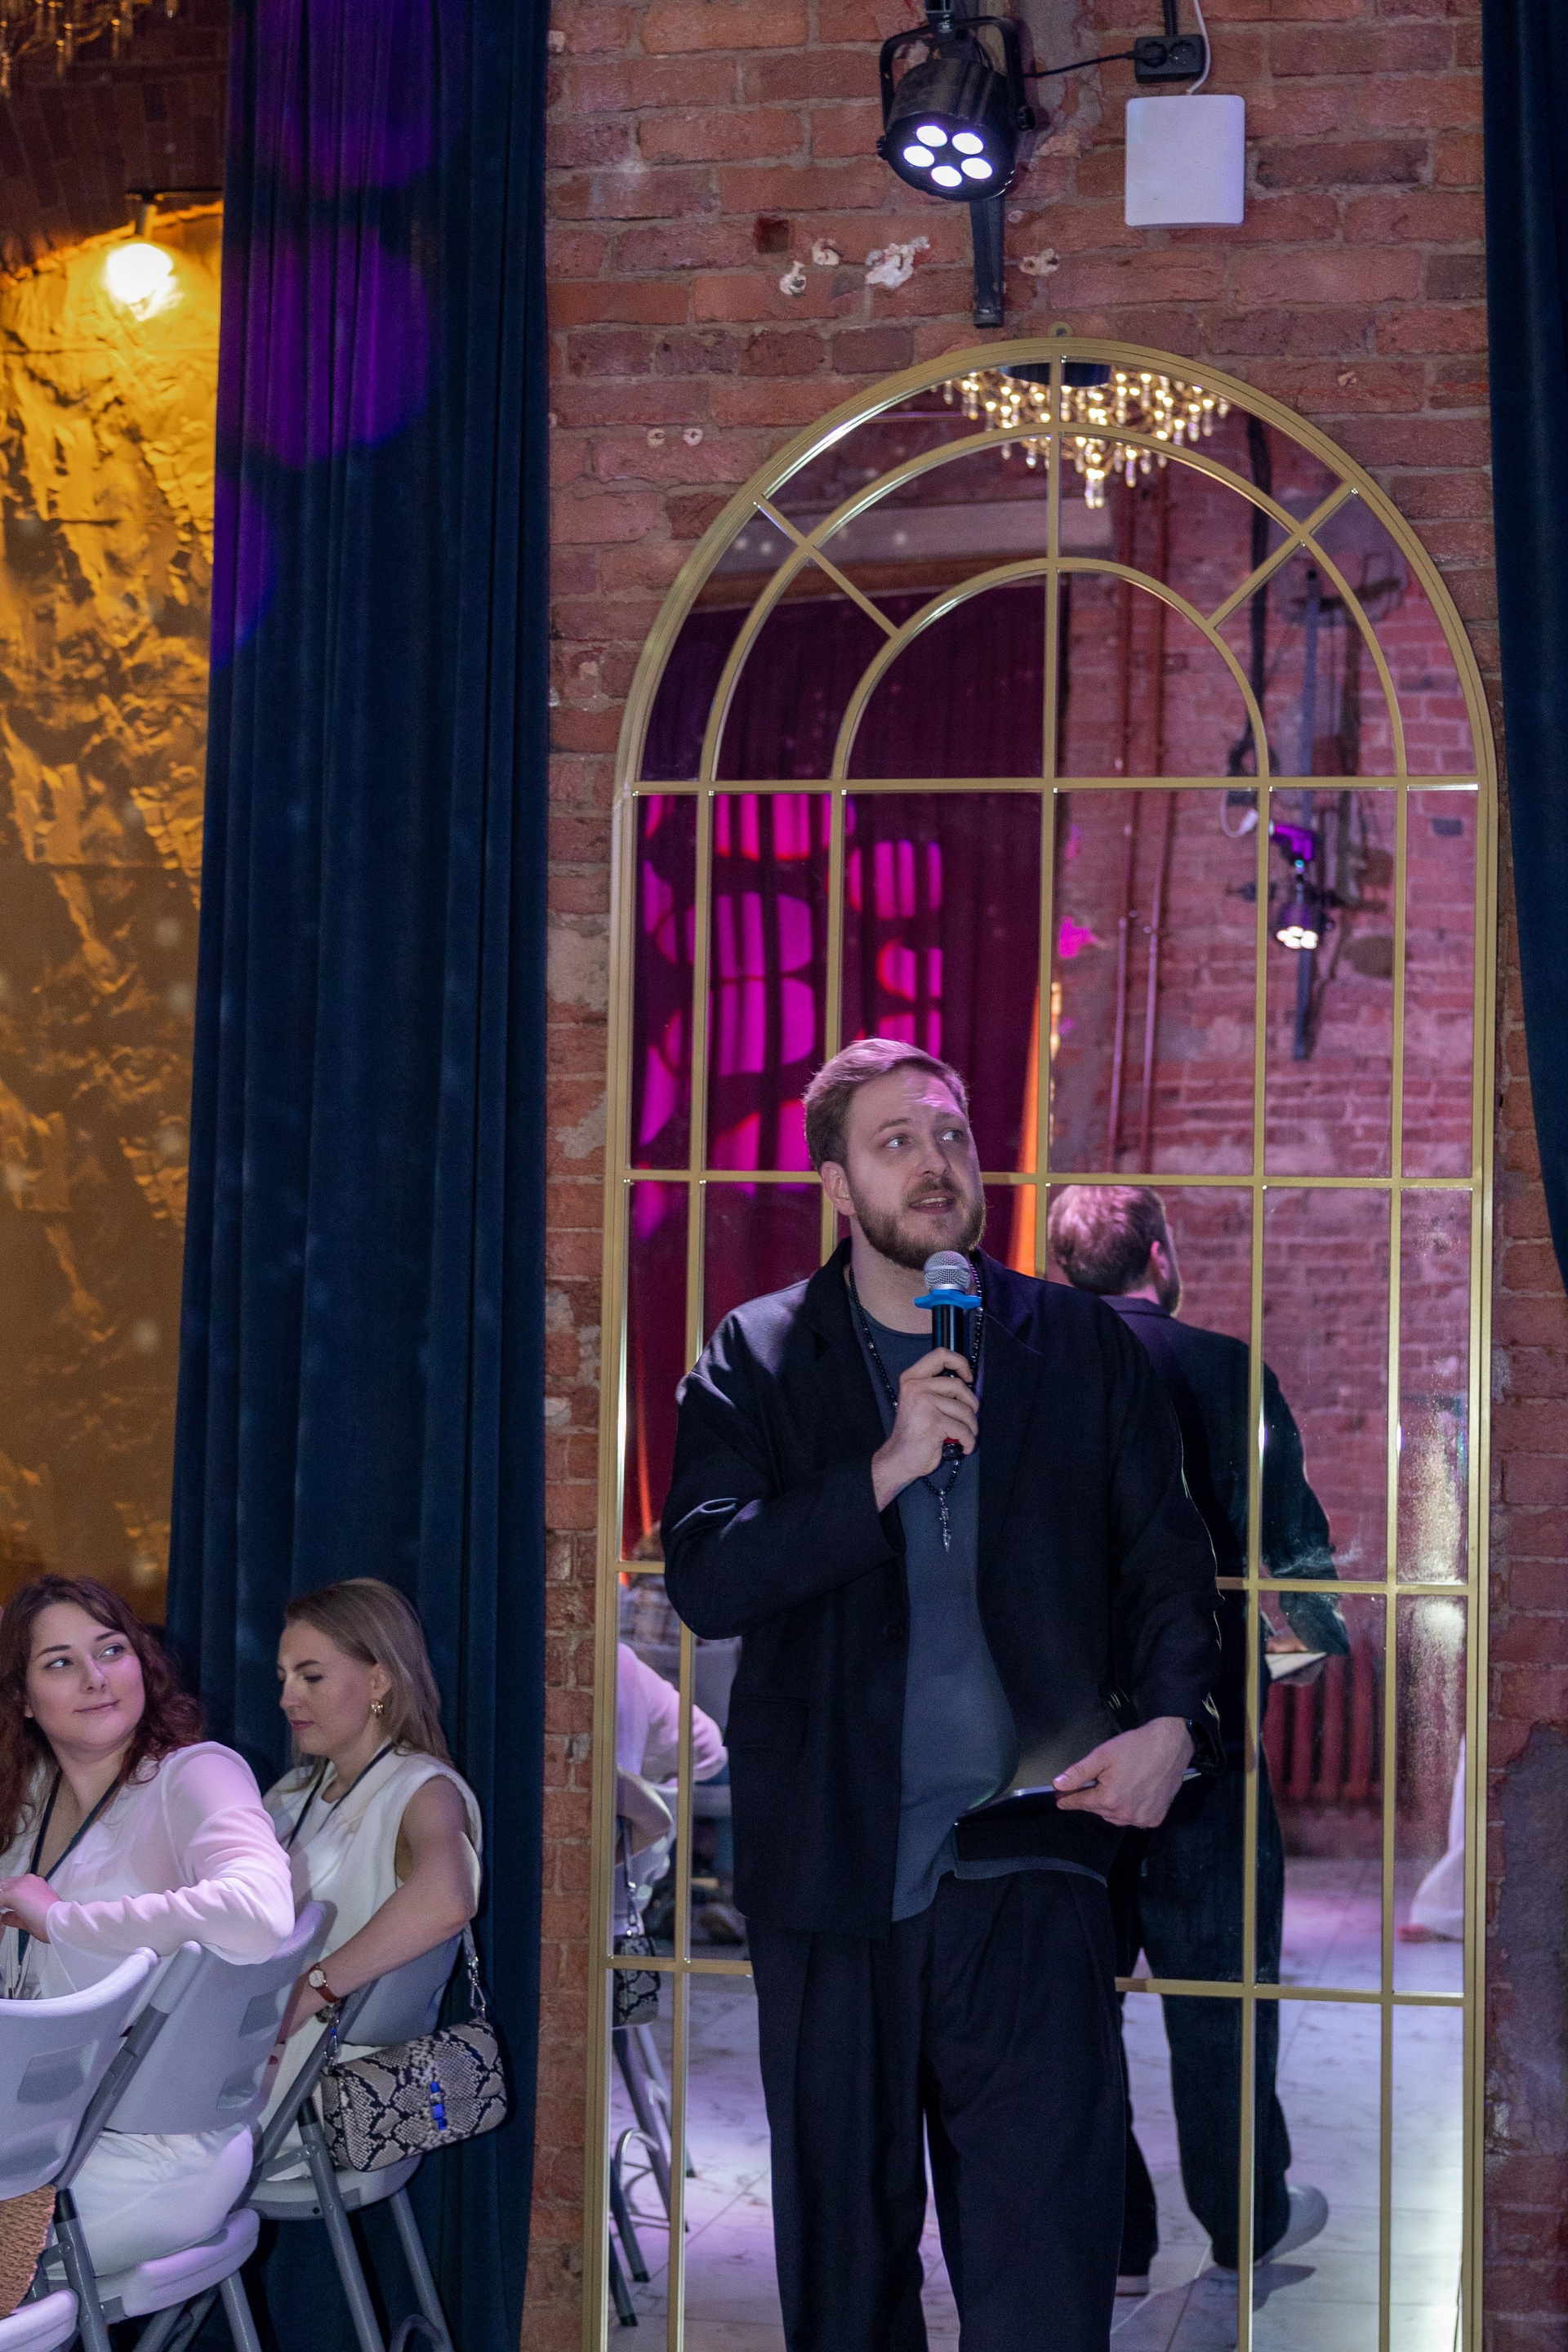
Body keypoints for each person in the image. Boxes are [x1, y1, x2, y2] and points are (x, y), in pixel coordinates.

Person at [662, 1038, 1223, 2352]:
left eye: (952, 1135)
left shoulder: (1075, 1346)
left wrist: (1172, 1725)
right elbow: (709, 1578)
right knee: (847, 2283)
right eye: (897, 1142)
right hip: (832, 1876)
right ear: (836, 1183)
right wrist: (884, 1466)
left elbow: (1168, 1568)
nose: (935, 1164)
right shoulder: (761, 1354)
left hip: (1031, 1861)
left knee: (1045, 2274)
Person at [1047, 1185, 1348, 2295]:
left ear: (1062, 1270)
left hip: (1061, 1747)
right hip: (1202, 1738)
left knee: (1072, 2003)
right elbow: (1292, 1542)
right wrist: (1317, 1636)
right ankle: (1243, 2222)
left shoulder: (1031, 1367)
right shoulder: (1226, 1369)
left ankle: (1116, 2238)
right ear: (1160, 1257)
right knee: (1224, 1995)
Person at [0, 1575, 295, 2274]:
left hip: (142, 2152)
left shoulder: (195, 1774)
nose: (96, 1677)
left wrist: (62, 1921)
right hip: (51, 2133)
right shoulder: (31, 1800)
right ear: (23, 1700)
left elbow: (259, 1912)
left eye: (112, 1650)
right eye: (61, 1662)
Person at [261, 1579, 481, 2134]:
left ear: (379, 1680)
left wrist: (309, 1993)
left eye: (311, 1676)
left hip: (323, 2092)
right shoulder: (292, 1793)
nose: (287, 1698)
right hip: (265, 2061)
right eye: (284, 1678)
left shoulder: (423, 1790)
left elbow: (448, 1900)